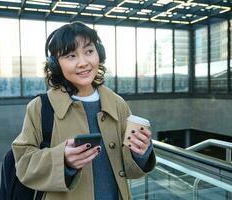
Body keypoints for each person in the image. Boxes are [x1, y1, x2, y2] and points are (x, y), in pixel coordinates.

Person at [12, 21, 156, 200]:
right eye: (71, 56)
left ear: (99, 54)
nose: (83, 63)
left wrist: (141, 152)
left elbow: (130, 169)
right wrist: (62, 160)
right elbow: (23, 164)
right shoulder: (41, 107)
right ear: (56, 65)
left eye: (89, 51)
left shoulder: (117, 104)